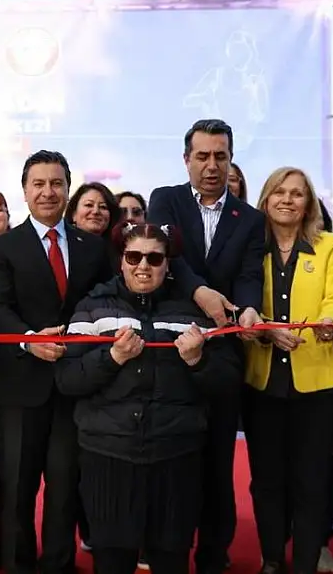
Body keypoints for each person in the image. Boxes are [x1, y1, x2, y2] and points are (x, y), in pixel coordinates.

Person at [56, 221, 236, 574]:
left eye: (154, 258)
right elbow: (68, 380)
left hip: (177, 455)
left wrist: (198, 361)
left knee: (171, 558)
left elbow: (229, 381)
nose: (143, 266)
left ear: (168, 264)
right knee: (111, 559)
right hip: (108, 454)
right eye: (134, 256)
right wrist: (112, 357)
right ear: (121, 260)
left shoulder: (196, 312)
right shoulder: (92, 307)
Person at [0, 149, 113, 574]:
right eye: (38, 184)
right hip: (21, 386)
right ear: (24, 191)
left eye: (56, 183)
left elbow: (104, 307)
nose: (47, 192)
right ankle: (18, 565)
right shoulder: (3, 247)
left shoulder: (92, 248)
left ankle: (58, 564)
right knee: (17, 489)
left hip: (75, 386)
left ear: (68, 189)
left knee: (64, 488)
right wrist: (28, 341)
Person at [146, 119, 265, 574]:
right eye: (203, 156)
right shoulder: (166, 199)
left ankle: (214, 554)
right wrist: (199, 292)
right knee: (172, 459)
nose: (212, 165)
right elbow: (166, 257)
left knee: (218, 462)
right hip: (171, 349)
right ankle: (167, 551)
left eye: (220, 156)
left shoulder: (249, 219)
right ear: (187, 160)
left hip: (223, 352)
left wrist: (249, 309)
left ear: (231, 159)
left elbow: (249, 274)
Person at [239, 167, 333, 574]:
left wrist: (331, 321)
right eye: (279, 192)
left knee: (312, 479)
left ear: (309, 204)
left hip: (321, 383)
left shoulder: (329, 246)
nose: (287, 199)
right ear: (265, 200)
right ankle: (272, 558)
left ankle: (306, 560)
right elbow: (242, 302)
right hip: (262, 382)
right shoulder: (251, 247)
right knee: (266, 479)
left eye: (297, 193)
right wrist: (264, 331)